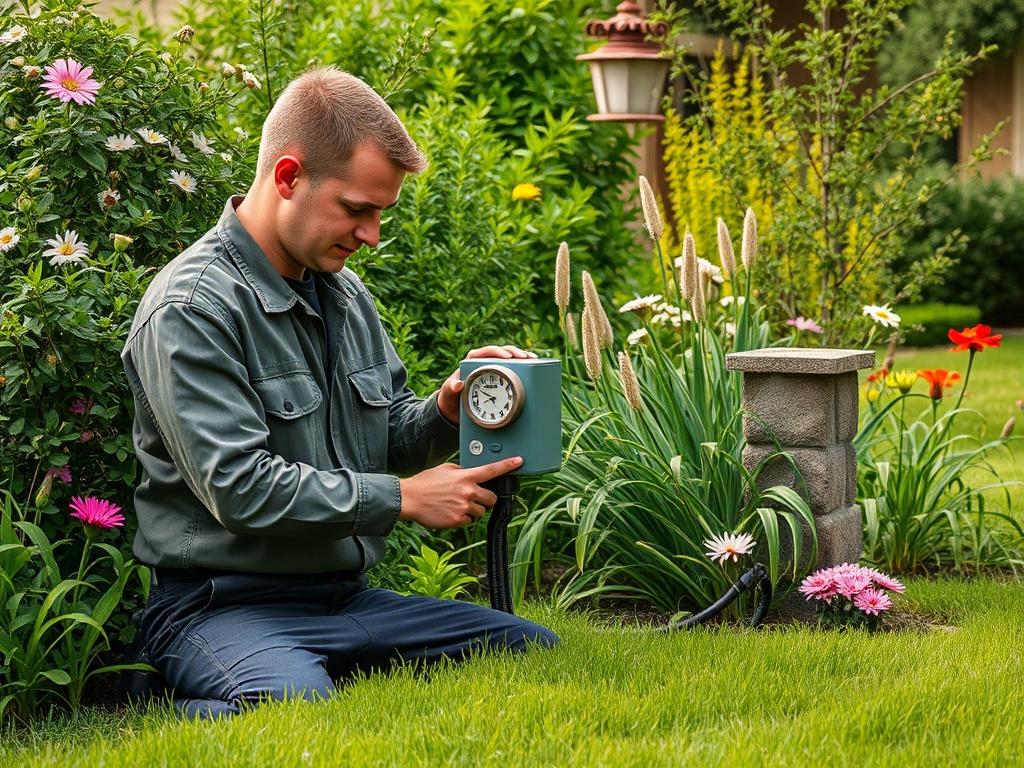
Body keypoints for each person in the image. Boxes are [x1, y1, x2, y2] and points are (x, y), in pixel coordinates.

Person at [120, 67, 558, 720]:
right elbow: (240, 485)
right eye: (357, 209)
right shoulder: (193, 307)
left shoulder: (345, 296)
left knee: (528, 648)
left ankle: (301, 673)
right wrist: (403, 500)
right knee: (293, 708)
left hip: (343, 600)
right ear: (289, 177)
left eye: (381, 213)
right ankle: (171, 704)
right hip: (218, 604)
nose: (372, 235)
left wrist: (446, 408)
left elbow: (387, 440)